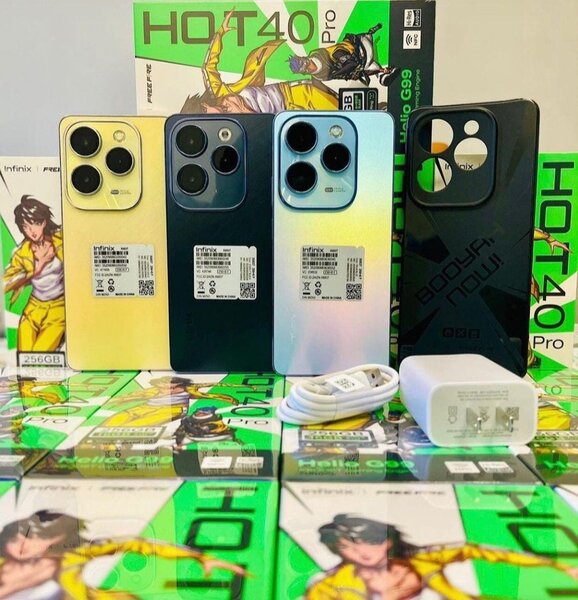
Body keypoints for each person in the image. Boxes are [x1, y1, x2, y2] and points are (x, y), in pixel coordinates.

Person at [307, 514, 578, 600]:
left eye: (368, 542)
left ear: (387, 541)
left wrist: (558, 566)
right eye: (347, 547)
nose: (361, 553)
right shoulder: (330, 584)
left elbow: (482, 550)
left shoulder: (424, 558)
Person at [0, 510, 245, 599]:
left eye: (35, 539)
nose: (22, 546)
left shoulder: (73, 558)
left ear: (58, 540)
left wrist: (199, 556)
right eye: (16, 538)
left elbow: (136, 543)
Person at [181, 10, 339, 114]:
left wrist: (220, 32)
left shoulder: (219, 92)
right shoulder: (230, 127)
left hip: (295, 93)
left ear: (205, 106)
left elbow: (208, 67)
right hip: (289, 117)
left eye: (205, 113)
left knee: (342, 111)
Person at [3, 195, 64, 353]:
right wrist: (38, 268)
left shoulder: (61, 240)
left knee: (41, 355)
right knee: (25, 359)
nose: (31, 231)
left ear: (43, 222)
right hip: (33, 309)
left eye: (35, 223)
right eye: (25, 226)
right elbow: (4, 284)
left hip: (59, 309)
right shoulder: (21, 253)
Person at [289, 24, 398, 87]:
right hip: (362, 65)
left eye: (307, 65)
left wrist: (337, 74)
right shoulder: (320, 76)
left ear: (308, 60)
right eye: (305, 71)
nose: (309, 69)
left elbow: (351, 64)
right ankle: (384, 75)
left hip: (361, 46)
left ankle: (383, 73)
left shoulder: (332, 54)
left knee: (368, 63)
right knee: (373, 71)